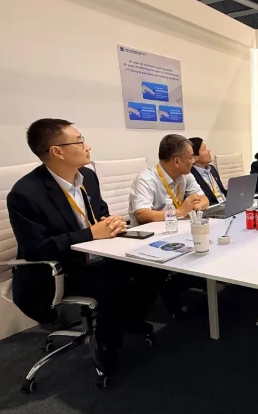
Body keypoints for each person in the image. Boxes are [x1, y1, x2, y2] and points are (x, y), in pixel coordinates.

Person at [8, 119, 164, 374]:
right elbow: (35, 249)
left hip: (96, 256)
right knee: (114, 285)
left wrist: (110, 222)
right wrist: (90, 233)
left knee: (152, 266)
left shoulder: (87, 177)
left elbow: (99, 212)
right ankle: (106, 344)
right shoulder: (25, 194)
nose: (87, 146)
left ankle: (128, 320)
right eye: (80, 141)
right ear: (57, 151)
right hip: (56, 272)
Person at [129, 134, 209, 225]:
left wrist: (197, 207)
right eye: (190, 158)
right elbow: (141, 215)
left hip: (177, 226)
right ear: (177, 161)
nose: (193, 161)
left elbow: (204, 199)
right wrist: (180, 212)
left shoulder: (185, 175)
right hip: (150, 231)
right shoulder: (145, 180)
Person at [188, 137, 227, 205]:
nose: (209, 151)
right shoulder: (190, 175)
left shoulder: (212, 169)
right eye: (204, 149)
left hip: (225, 204)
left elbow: (222, 191)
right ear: (195, 157)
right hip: (212, 208)